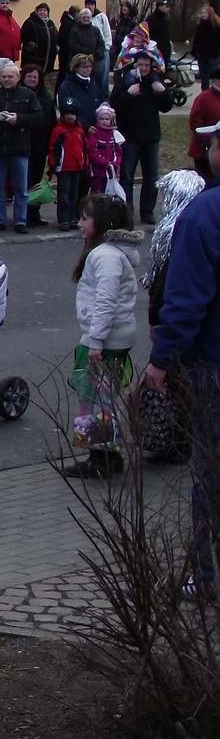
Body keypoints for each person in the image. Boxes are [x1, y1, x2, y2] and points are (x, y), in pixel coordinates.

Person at [147, 120, 220, 599]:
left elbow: (188, 297)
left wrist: (162, 359)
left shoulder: (205, 213)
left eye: (214, 142)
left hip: (211, 364)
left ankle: (205, 574)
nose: (207, 148)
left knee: (210, 471)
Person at [59, 194, 142, 479]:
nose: (80, 223)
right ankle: (103, 454)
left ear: (102, 222)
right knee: (99, 399)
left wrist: (96, 341)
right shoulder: (111, 253)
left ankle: (103, 458)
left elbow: (105, 300)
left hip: (105, 340)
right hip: (111, 337)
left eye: (85, 218)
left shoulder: (104, 256)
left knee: (97, 401)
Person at [140, 169, 208, 463]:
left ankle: (175, 441)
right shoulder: (198, 220)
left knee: (175, 383)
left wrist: (158, 321)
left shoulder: (177, 228)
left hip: (177, 324)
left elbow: (167, 283)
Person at [111, 50, 174, 224]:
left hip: (151, 138)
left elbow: (167, 107)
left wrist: (163, 92)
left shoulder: (155, 82)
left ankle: (147, 211)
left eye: (147, 65)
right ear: (135, 65)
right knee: (127, 178)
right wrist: (129, 94)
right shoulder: (125, 81)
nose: (144, 68)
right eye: (141, 64)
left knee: (151, 178)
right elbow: (114, 105)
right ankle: (127, 212)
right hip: (130, 138)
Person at [0, 60, 38, 233]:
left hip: (19, 148)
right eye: (4, 77)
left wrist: (19, 120)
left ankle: (20, 221)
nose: (7, 79)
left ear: (18, 77)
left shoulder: (28, 95)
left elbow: (38, 118)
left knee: (21, 189)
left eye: (11, 76)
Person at [20, 64, 56, 227]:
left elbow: (51, 120)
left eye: (35, 77)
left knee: (35, 182)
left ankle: (34, 213)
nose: (32, 79)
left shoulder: (45, 96)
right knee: (24, 182)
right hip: (23, 146)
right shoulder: (19, 94)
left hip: (40, 146)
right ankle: (23, 215)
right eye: (29, 76)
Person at [49, 98, 90, 230]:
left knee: (74, 194)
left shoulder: (80, 130)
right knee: (64, 195)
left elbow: (84, 148)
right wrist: (53, 164)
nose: (69, 116)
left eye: (72, 114)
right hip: (64, 167)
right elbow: (53, 149)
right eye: (66, 114)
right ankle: (63, 219)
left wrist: (85, 163)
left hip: (77, 167)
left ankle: (73, 217)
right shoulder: (59, 130)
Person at [56, 53, 101, 129]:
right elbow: (66, 111)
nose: (88, 69)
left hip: (95, 129)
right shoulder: (66, 86)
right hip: (75, 130)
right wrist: (85, 126)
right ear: (76, 68)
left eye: (90, 66)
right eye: (84, 67)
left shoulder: (94, 85)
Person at [188, 78, 220, 181]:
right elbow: (195, 123)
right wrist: (210, 140)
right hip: (205, 150)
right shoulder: (204, 98)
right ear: (215, 80)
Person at [20, 3, 58, 79]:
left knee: (42, 76)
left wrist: (56, 48)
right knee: (32, 73)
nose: (42, 12)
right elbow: (24, 35)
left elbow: (56, 36)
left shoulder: (51, 23)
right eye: (40, 10)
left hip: (47, 57)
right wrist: (31, 46)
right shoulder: (30, 22)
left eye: (45, 10)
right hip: (33, 56)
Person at [86, 0, 113, 95]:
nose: (89, 7)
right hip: (90, 51)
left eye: (91, 5)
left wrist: (106, 48)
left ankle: (104, 97)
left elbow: (107, 33)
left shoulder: (101, 17)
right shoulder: (85, 17)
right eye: (88, 5)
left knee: (102, 76)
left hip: (102, 50)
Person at [193, 5, 220, 93]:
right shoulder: (200, 26)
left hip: (212, 55)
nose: (203, 15)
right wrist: (195, 51)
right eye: (202, 13)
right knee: (204, 78)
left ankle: (215, 93)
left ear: (210, 14)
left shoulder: (216, 26)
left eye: (205, 13)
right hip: (202, 55)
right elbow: (196, 40)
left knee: (215, 76)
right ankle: (204, 94)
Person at [148, 0, 174, 67]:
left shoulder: (165, 19)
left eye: (169, 7)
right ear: (159, 7)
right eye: (166, 6)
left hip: (164, 54)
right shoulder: (151, 19)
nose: (168, 9)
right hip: (155, 54)